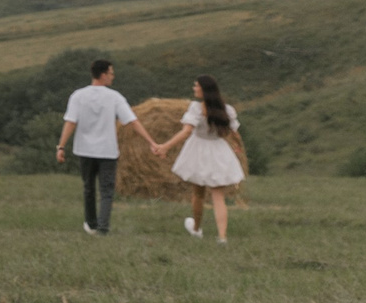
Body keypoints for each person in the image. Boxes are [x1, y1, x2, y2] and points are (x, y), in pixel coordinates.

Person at [55, 59, 162, 235]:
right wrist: (151, 142)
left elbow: (70, 122)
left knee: (88, 187)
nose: (113, 76)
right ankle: (103, 228)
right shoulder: (114, 97)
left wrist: (61, 146)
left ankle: (91, 224)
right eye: (111, 73)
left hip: (84, 150)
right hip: (107, 150)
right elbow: (132, 121)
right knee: (107, 190)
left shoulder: (78, 96)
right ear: (103, 75)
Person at [151, 75, 245, 243]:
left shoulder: (196, 108)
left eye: (196, 86)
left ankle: (196, 228)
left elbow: (186, 131)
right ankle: (222, 237)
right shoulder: (226, 109)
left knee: (198, 193)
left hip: (198, 150)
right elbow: (234, 132)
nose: (194, 88)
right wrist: (238, 147)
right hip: (219, 150)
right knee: (218, 196)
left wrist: (165, 146)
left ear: (203, 89)